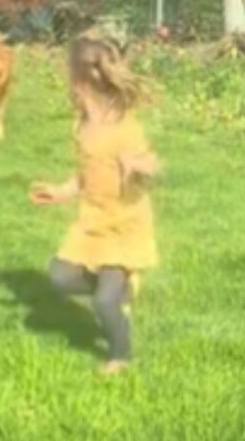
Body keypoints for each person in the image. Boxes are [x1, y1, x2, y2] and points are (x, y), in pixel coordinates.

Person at [30, 29, 160, 375]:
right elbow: (86, 174)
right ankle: (121, 292)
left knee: (104, 301)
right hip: (92, 222)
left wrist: (139, 167)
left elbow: (151, 167)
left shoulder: (124, 128)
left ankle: (120, 355)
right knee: (59, 278)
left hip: (123, 224)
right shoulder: (83, 126)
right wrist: (61, 191)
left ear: (79, 81)